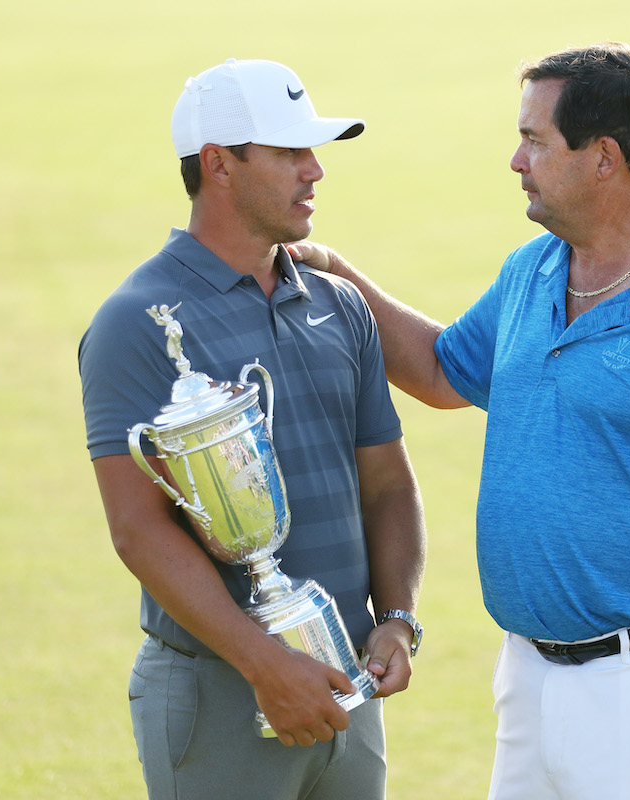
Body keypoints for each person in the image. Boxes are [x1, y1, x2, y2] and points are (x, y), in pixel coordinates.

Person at [292, 43, 630, 798]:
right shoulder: (533, 270)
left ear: (603, 157)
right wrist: (336, 273)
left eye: (534, 140)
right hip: (530, 677)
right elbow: (443, 371)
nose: (515, 159)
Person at [78, 58, 427, 800]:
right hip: (221, 696)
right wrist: (267, 666)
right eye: (289, 153)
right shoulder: (136, 323)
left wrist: (396, 619)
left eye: (315, 152)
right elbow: (138, 531)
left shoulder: (341, 305)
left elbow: (389, 486)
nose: (315, 172)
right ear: (219, 165)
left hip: (347, 690)